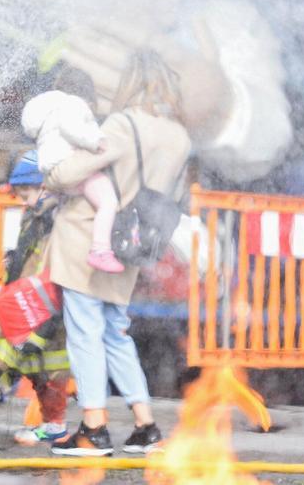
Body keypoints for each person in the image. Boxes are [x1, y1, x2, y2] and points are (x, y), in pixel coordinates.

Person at [46, 50, 189, 457]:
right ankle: (145, 425)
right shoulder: (179, 135)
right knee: (115, 333)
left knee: (85, 333)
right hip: (131, 245)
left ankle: (93, 428)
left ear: (132, 82)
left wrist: (52, 173)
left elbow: (73, 170)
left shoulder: (124, 125)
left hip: (90, 239)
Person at [0, 151, 73, 445]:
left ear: (46, 186)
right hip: (30, 302)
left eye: (26, 193)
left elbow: (54, 264)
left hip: (50, 304)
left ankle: (56, 425)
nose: (23, 200)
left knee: (51, 367)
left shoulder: (57, 216)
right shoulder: (36, 214)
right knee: (34, 366)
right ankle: (51, 423)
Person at [21, 83, 123, 273]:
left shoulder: (46, 116)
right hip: (69, 165)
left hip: (54, 171)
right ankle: (100, 249)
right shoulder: (72, 104)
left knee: (68, 204)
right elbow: (73, 129)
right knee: (108, 201)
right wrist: (96, 142)